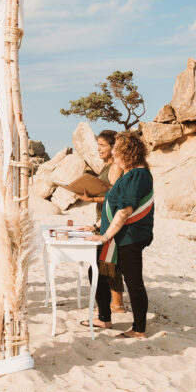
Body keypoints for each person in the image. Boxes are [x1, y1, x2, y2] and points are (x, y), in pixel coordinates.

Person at [84, 131, 154, 339]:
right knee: (96, 270)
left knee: (134, 283)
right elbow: (113, 207)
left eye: (116, 151)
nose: (113, 155)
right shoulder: (130, 174)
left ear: (127, 153)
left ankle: (139, 329)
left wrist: (104, 237)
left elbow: (125, 211)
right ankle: (104, 317)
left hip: (129, 237)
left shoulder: (137, 175)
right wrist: (97, 226)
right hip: (119, 235)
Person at [74, 130, 127, 313]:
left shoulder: (115, 167)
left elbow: (114, 197)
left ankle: (116, 304)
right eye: (98, 145)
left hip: (111, 219)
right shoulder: (106, 166)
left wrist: (92, 200)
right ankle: (114, 303)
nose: (99, 149)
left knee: (108, 261)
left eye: (103, 145)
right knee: (107, 260)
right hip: (102, 218)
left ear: (114, 148)